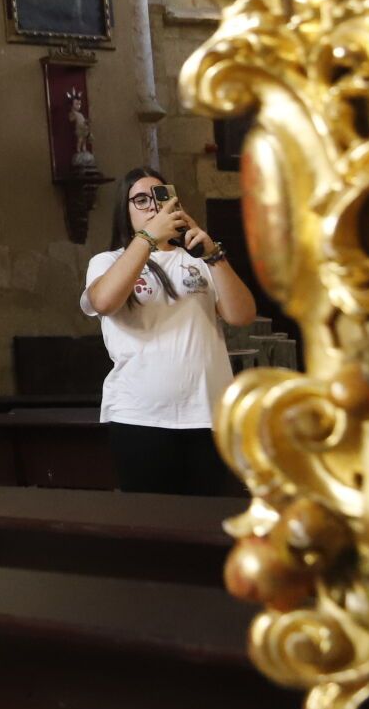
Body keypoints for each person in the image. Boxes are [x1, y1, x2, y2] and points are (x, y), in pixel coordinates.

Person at [80, 167, 256, 495]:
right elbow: (103, 301)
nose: (151, 207)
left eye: (159, 197)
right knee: (153, 527)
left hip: (209, 415)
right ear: (125, 210)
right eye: (140, 199)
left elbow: (241, 315)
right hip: (140, 417)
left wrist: (215, 256)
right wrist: (147, 239)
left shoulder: (202, 261)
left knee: (211, 525)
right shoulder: (108, 261)